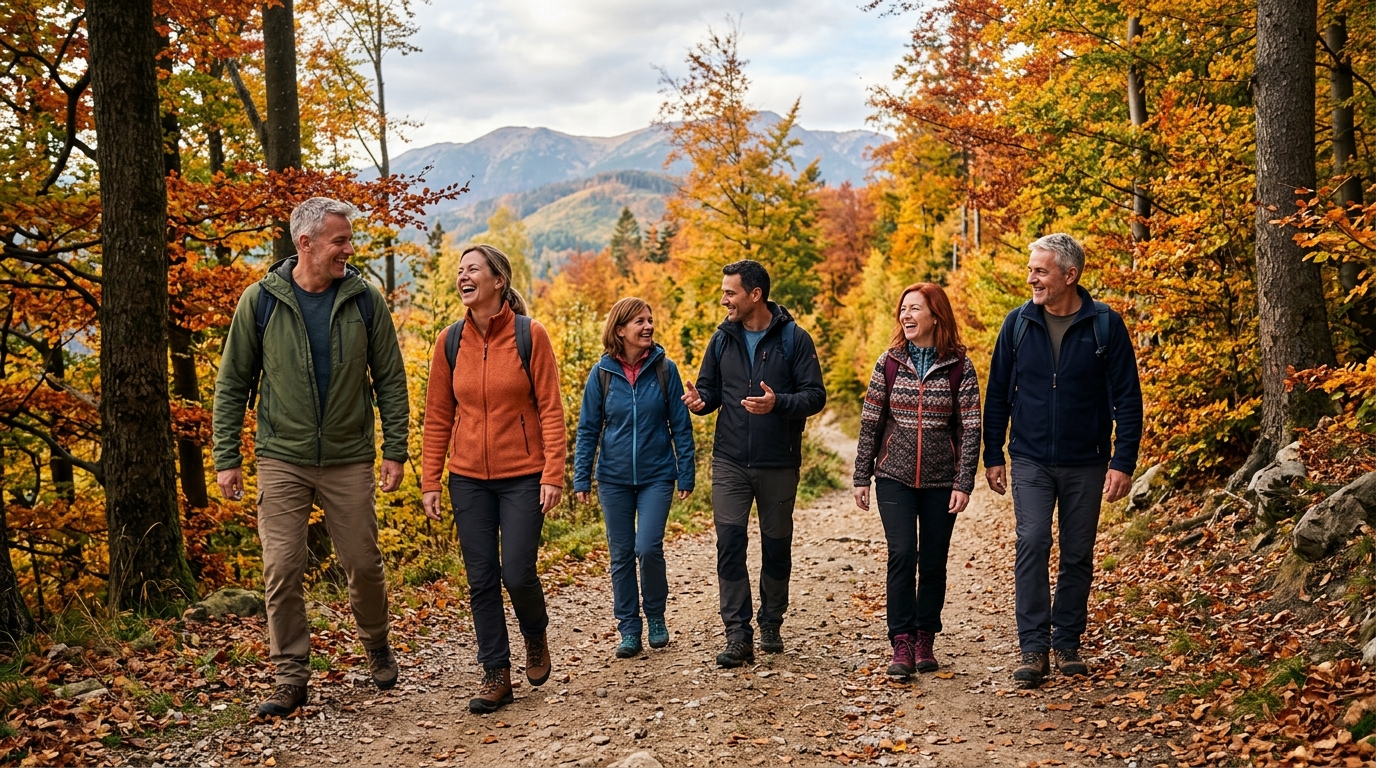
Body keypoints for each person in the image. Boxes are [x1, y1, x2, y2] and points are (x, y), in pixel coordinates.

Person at [212, 197, 410, 717]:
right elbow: (232, 383)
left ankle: (377, 643)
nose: (349, 249)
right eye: (340, 241)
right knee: (282, 567)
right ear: (306, 243)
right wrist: (226, 456)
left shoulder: (365, 300)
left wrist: (394, 450)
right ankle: (290, 676)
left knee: (362, 563)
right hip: (282, 456)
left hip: (348, 455)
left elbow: (390, 380)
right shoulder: (261, 302)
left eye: (349, 240)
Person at [983, 233, 1143, 688]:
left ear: (1070, 275)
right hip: (1030, 459)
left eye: (1040, 271)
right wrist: (993, 454)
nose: (1031, 278)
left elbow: (1128, 400)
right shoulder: (1017, 324)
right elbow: (997, 394)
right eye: (1030, 269)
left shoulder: (1105, 325)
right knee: (1032, 541)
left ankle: (1067, 641)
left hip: (1087, 461)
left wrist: (1123, 461)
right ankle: (1033, 647)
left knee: (1077, 552)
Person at [421, 244, 566, 714]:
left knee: (517, 572)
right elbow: (437, 415)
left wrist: (553, 473)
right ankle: (496, 672)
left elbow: (551, 408)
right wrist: (430, 480)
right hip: (467, 478)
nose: (463, 276)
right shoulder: (449, 341)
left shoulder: (530, 334)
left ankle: (535, 633)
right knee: (480, 578)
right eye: (459, 270)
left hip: (523, 475)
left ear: (498, 280)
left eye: (473, 269)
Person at [681, 259, 827, 668]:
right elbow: (710, 392)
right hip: (729, 461)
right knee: (729, 544)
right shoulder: (721, 339)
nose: (724, 300)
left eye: (730, 293)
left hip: (779, 462)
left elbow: (815, 396)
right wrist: (699, 402)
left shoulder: (795, 339)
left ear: (755, 295)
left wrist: (777, 403)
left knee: (776, 546)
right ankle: (737, 634)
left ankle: (771, 621)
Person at [853, 283, 981, 678]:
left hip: (942, 481)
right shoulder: (889, 363)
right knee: (902, 554)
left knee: (934, 560)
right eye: (903, 309)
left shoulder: (960, 366)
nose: (906, 316)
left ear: (936, 316)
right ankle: (902, 640)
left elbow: (970, 428)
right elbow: (871, 421)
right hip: (894, 477)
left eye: (914, 309)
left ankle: (925, 636)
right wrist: (861, 475)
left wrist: (963, 481)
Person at [573, 298, 696, 659]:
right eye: (639, 321)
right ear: (620, 329)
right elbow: (588, 429)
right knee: (621, 554)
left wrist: (686, 472)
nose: (648, 327)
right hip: (613, 479)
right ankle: (629, 629)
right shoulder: (601, 374)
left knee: (648, 547)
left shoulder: (665, 369)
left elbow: (680, 426)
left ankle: (655, 616)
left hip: (658, 475)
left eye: (650, 320)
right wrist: (581, 478)